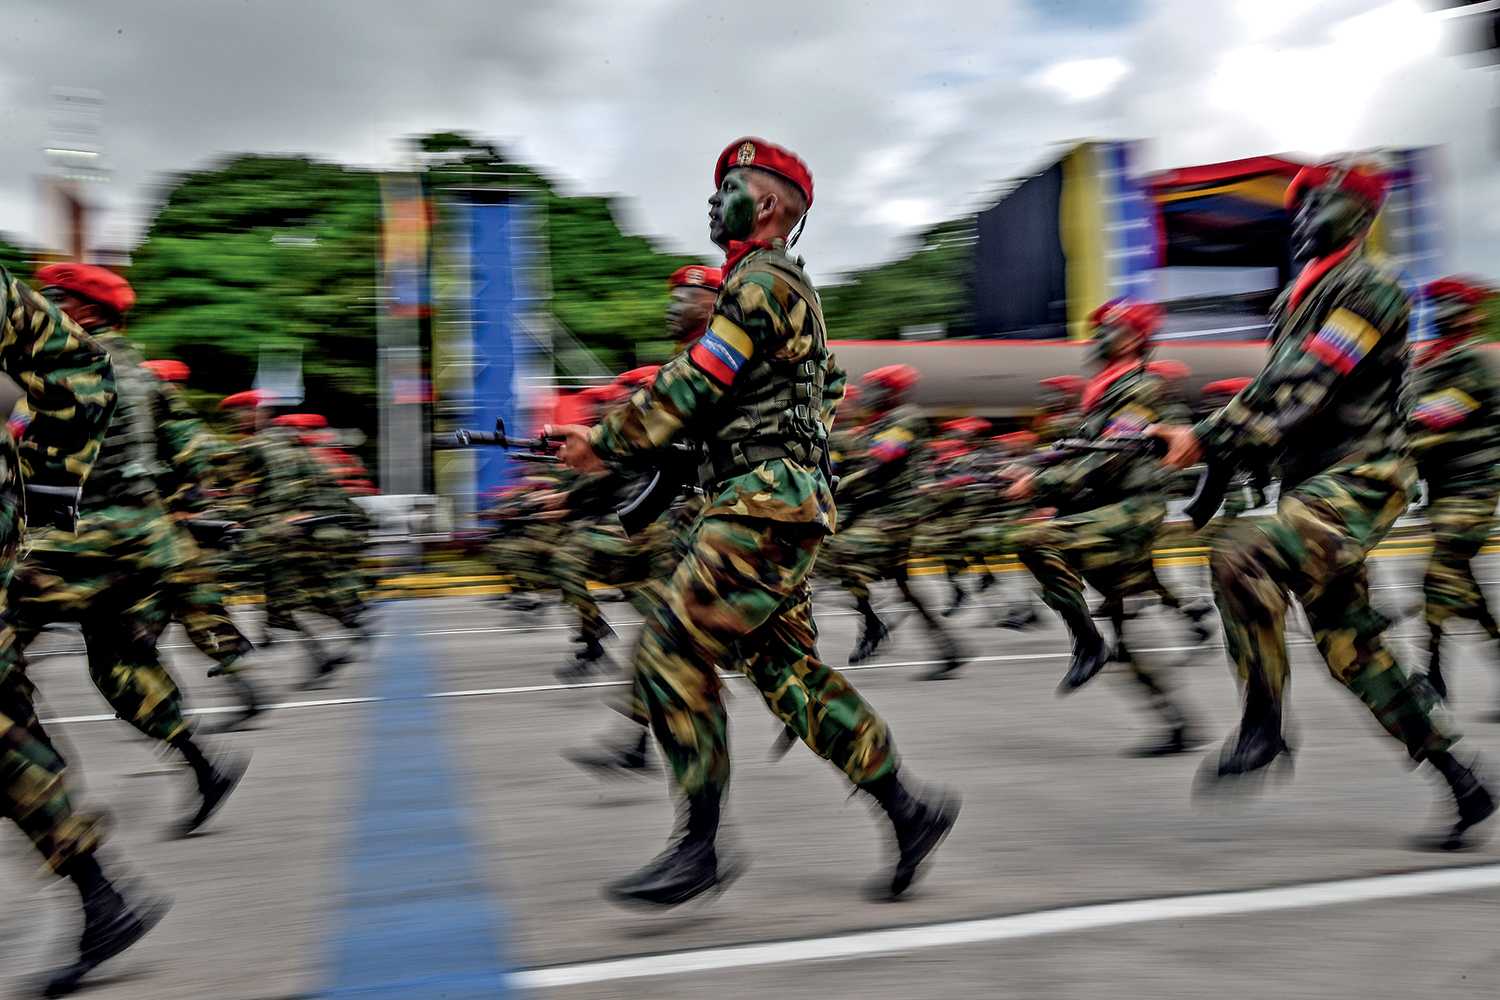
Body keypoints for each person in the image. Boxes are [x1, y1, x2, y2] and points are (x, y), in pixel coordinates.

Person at [549, 137, 957, 905]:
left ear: (767, 207)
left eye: (730, 186)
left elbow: (701, 379)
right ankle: (910, 810)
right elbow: (751, 393)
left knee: (670, 649)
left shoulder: (761, 278)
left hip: (761, 503)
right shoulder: (772, 287)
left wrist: (604, 441)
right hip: (771, 501)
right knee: (785, 675)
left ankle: (699, 847)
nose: (717, 200)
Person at [1151, 161, 1493, 849]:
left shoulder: (1370, 288)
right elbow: (1279, 403)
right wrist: (1211, 457)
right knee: (1353, 650)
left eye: (1323, 203)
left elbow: (1305, 385)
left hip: (1364, 477)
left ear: (1364, 217)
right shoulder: (1298, 303)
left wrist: (1208, 436)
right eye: (1298, 206)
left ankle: (1264, 726)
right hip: (1314, 489)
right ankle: (1464, 780)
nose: (1304, 216)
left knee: (1240, 556)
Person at [20, 264, 248, 835]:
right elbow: (196, 447)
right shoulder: (146, 377)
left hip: (81, 540)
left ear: (88, 312)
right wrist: (186, 500)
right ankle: (204, 767)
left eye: (53, 301)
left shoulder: (56, 365)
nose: (42, 312)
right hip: (147, 541)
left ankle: (42, 803)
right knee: (119, 661)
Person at [0, 262, 170, 996]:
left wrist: (41, 503)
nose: (59, 304)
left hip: (102, 539)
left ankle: (100, 890)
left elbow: (78, 373)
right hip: (125, 536)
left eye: (68, 299)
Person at [1005, 298, 1203, 754]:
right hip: (1106, 508)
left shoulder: (1142, 389)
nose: (1097, 337)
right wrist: (1029, 467)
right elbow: (1077, 448)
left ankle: (1087, 644)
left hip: (1131, 509)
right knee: (1127, 633)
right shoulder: (1105, 392)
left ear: (1133, 337)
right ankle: (1178, 725)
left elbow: (1109, 458)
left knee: (1035, 541)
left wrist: (1039, 483)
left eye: (1108, 329)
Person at [822, 364, 965, 678]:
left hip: (897, 514)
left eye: (877, 389)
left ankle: (872, 622)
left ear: (891, 391)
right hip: (880, 512)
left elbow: (880, 466)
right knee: (903, 587)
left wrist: (839, 487)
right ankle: (949, 649)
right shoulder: (876, 424)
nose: (869, 396)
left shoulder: (905, 418)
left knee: (833, 552)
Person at [1406, 277, 1500, 704]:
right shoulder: (1424, 365)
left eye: (1449, 306)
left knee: (1439, 575)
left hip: (1472, 490)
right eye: (1436, 305)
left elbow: (1434, 424)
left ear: (1466, 315)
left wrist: (1395, 457)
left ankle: (1434, 674)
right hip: (1445, 493)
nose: (1441, 314)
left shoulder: (1469, 366)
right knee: (1460, 584)